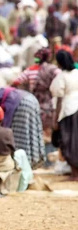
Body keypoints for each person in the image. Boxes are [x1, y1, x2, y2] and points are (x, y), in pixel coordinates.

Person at [0, 87, 45, 167]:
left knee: (19, 141)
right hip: (31, 99)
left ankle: (22, 167)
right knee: (32, 134)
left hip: (20, 105)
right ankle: (32, 163)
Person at [12, 48, 60, 143]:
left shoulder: (30, 70)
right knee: (48, 132)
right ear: (48, 57)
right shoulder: (53, 69)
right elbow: (61, 79)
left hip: (34, 102)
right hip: (49, 104)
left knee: (37, 131)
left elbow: (16, 82)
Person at [50, 50, 78, 180]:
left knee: (69, 142)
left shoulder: (62, 77)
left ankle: (74, 173)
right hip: (76, 107)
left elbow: (59, 99)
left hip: (68, 111)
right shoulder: (76, 73)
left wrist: (55, 120)